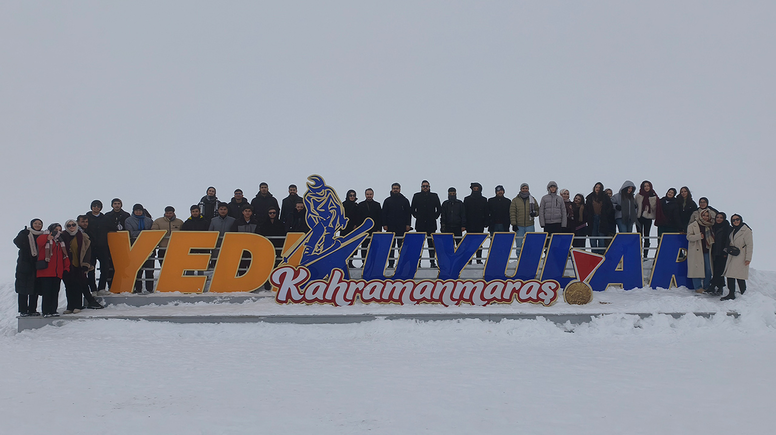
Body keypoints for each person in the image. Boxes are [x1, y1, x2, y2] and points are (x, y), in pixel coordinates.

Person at [61, 219, 103, 313]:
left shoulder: (82, 236)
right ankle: (70, 306)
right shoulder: (63, 236)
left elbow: (87, 251)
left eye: (73, 225)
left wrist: (86, 264)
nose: (71, 227)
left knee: (78, 285)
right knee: (68, 286)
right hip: (67, 265)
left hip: (79, 265)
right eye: (69, 225)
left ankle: (77, 306)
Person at [36, 223, 70, 317]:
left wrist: (66, 267)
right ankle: (46, 311)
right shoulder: (45, 237)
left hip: (57, 272)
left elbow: (64, 256)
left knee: (55, 292)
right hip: (46, 272)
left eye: (59, 230)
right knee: (47, 293)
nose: (57, 232)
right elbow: (39, 243)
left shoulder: (60, 241)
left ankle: (53, 310)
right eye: (56, 229)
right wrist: (48, 238)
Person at [14, 218, 44, 316]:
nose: (37, 225)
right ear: (32, 224)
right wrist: (23, 233)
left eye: (39, 223)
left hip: (36, 266)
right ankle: (23, 310)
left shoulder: (43, 236)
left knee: (34, 289)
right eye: (35, 223)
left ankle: (32, 309)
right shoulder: (26, 234)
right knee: (23, 289)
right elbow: (17, 242)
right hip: (24, 266)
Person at [721, 214, 753, 301]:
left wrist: (748, 258)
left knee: (739, 275)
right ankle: (731, 293)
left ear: (741, 219)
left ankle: (743, 293)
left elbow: (750, 245)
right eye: (734, 220)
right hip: (733, 254)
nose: (736, 221)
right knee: (730, 275)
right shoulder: (732, 230)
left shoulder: (746, 230)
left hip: (741, 255)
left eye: (737, 219)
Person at [411, 180, 442, 268]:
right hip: (420, 224)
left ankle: (432, 262)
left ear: (429, 187)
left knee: (431, 244)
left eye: (427, 186)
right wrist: (418, 216)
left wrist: (434, 216)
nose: (425, 188)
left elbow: (439, 209)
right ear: (421, 187)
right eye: (423, 186)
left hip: (431, 224)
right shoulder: (416, 196)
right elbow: (412, 209)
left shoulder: (434, 196)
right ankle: (418, 263)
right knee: (419, 244)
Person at [124, 204, 155, 293]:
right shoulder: (128, 220)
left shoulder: (149, 220)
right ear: (133, 211)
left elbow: (152, 233)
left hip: (148, 247)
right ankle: (138, 289)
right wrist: (145, 233)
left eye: (140, 210)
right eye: (136, 210)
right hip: (135, 248)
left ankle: (150, 289)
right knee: (137, 271)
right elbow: (131, 233)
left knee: (149, 270)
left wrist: (142, 234)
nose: (138, 212)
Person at [382, 183, 412, 268]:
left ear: (400, 189)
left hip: (401, 227)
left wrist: (408, 225)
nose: (395, 190)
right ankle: (391, 264)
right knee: (391, 247)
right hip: (390, 227)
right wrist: (384, 224)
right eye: (394, 188)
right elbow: (384, 213)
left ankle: (401, 264)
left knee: (401, 247)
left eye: (397, 188)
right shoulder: (387, 201)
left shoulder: (404, 200)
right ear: (391, 189)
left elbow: (408, 214)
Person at [86, 200, 111, 295]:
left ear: (101, 208)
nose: (96, 207)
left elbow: (113, 227)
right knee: (91, 268)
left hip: (103, 246)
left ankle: (101, 288)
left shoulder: (105, 218)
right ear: (91, 207)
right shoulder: (87, 217)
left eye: (98, 206)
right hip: (91, 247)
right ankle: (93, 289)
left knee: (105, 268)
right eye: (94, 206)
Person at [686, 209, 714, 294]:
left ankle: (706, 286)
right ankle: (698, 287)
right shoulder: (693, 225)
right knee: (696, 269)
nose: (705, 217)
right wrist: (698, 236)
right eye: (704, 215)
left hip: (707, 250)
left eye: (707, 216)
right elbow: (689, 237)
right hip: (696, 250)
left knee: (708, 269)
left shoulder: (710, 225)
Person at [259, 207, 287, 289]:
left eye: (274, 213)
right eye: (270, 213)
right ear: (268, 214)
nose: (272, 214)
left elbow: (283, 234)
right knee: (267, 265)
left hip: (278, 246)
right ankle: (267, 283)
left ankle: (277, 282)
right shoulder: (263, 224)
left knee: (277, 264)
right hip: (267, 247)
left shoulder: (280, 223)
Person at [510, 183, 539, 255]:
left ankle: (529, 258)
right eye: (523, 188)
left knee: (530, 243)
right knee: (519, 245)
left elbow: (538, 210)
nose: (525, 190)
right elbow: (512, 212)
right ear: (520, 189)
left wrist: (534, 213)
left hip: (530, 225)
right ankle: (518, 260)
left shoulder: (532, 199)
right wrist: (514, 224)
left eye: (526, 188)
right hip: (519, 226)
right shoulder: (515, 200)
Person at [181, 205, 211, 275]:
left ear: (199, 212)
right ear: (190, 212)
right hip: (190, 247)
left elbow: (208, 233)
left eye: (196, 211)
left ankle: (200, 282)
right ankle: (188, 281)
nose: (195, 213)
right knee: (189, 266)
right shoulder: (187, 223)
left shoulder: (205, 222)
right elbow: (183, 234)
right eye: (193, 211)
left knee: (200, 266)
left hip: (202, 247)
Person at [585, 182, 614, 254]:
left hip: (602, 219)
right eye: (596, 187)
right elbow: (587, 209)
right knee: (593, 237)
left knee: (601, 237)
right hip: (592, 219)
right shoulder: (589, 197)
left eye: (599, 187)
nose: (597, 189)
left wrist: (605, 215)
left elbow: (610, 207)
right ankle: (594, 254)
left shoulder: (605, 197)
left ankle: (601, 254)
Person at [634, 180, 660, 258]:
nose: (646, 187)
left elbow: (655, 208)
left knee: (646, 235)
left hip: (648, 217)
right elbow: (634, 205)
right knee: (639, 236)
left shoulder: (653, 195)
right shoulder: (638, 195)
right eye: (645, 186)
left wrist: (652, 198)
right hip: (638, 217)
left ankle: (645, 255)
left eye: (648, 186)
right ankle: (638, 254)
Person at [464, 182, 488, 263]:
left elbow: (486, 212)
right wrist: (464, 224)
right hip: (469, 224)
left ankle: (478, 259)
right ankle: (469, 259)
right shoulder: (467, 199)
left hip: (479, 224)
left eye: (477, 188)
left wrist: (486, 222)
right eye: (474, 188)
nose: (475, 189)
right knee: (469, 243)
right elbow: (464, 212)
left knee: (479, 242)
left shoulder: (484, 200)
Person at [357, 188, 382, 264]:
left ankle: (373, 263)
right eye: (367, 194)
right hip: (364, 230)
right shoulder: (360, 205)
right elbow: (358, 218)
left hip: (374, 229)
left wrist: (379, 229)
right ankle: (364, 263)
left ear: (373, 195)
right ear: (365, 195)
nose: (369, 196)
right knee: (364, 247)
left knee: (374, 247)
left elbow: (380, 218)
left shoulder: (377, 205)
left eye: (370, 194)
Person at [708, 212, 731, 296]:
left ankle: (713, 285)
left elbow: (728, 241)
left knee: (719, 270)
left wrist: (725, 251)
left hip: (722, 252)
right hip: (714, 251)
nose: (719, 219)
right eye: (717, 217)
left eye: (721, 217)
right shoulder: (713, 227)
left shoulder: (727, 227)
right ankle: (720, 286)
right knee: (715, 269)